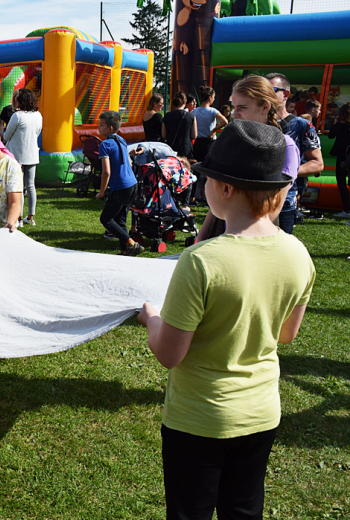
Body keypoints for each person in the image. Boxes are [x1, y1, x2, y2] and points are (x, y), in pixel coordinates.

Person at [137, 119, 315, 520]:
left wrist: (152, 318)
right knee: (243, 509)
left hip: (198, 419)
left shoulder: (200, 261)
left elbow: (169, 354)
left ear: (225, 188)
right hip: (261, 412)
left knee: (190, 512)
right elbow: (287, 335)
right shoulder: (298, 253)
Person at [197, 75, 301, 242]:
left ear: (265, 107)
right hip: (224, 229)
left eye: (242, 107)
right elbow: (218, 191)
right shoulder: (234, 139)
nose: (234, 114)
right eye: (233, 107)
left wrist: (242, 239)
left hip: (259, 235)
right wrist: (202, 236)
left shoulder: (285, 146)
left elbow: (275, 205)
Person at [266, 73, 324, 230]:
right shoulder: (254, 122)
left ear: (285, 94)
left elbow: (317, 164)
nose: (264, 93)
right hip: (251, 200)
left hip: (284, 201)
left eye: (270, 89)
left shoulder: (301, 125)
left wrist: (284, 173)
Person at [96, 111, 143, 256]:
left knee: (106, 218)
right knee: (120, 218)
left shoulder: (105, 144)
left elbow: (106, 172)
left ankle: (131, 244)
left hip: (121, 187)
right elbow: (128, 161)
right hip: (132, 184)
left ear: (110, 128)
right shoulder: (121, 140)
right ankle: (125, 251)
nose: (98, 128)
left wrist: (102, 192)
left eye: (101, 125)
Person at [3, 88, 41, 226]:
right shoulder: (38, 115)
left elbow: (6, 136)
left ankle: (18, 218)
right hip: (32, 154)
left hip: (16, 156)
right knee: (30, 186)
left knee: (18, 186)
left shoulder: (17, 116)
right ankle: (30, 217)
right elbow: (36, 133)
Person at [329, 103, 350, 219]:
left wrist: (336, 123)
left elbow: (331, 135)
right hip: (348, 155)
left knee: (341, 182)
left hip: (343, 156)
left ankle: (347, 209)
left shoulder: (341, 125)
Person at [162, 91, 198, 159]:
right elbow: (194, 136)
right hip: (185, 149)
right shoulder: (191, 116)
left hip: (171, 149)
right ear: (185, 102)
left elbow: (164, 136)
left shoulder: (167, 116)